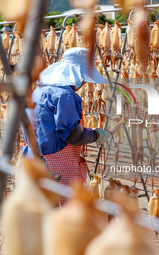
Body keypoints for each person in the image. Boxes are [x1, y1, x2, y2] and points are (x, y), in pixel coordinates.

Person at [21, 47, 112, 204]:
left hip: (31, 159)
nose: (84, 83)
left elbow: (47, 126)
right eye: (85, 78)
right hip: (54, 168)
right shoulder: (66, 95)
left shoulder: (39, 90)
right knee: (57, 216)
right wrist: (96, 135)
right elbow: (72, 136)